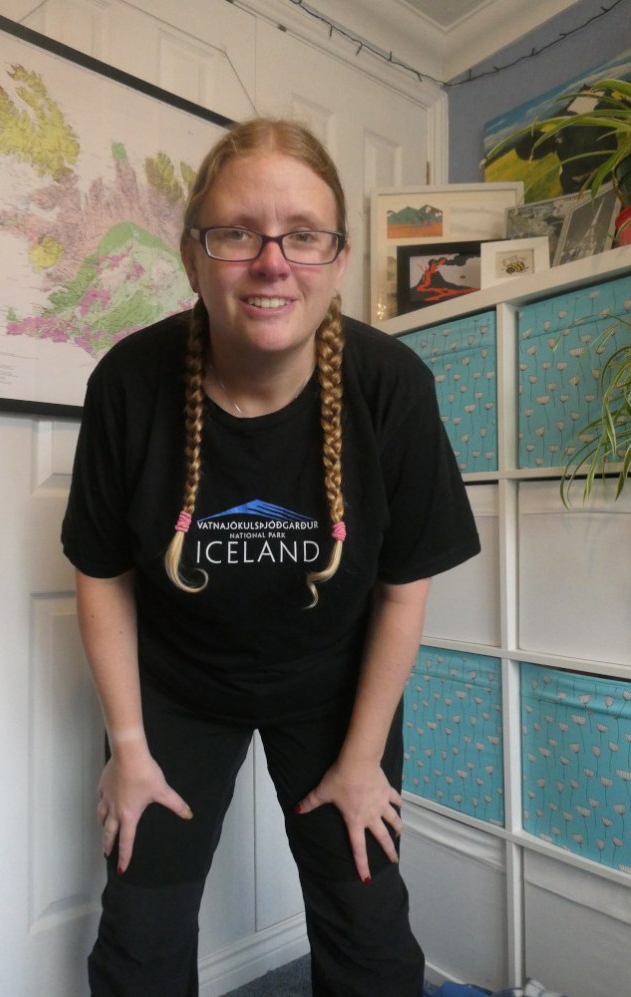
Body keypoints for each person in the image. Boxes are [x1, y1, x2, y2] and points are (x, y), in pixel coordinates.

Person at [62, 116, 481, 997]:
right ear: (192, 255)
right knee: (139, 927)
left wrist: (362, 760)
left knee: (368, 923)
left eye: (302, 234)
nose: (271, 259)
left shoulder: (392, 386)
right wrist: (129, 747)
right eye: (236, 232)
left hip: (336, 691)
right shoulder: (128, 384)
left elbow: (404, 589)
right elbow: (100, 572)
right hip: (175, 690)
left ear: (336, 255)